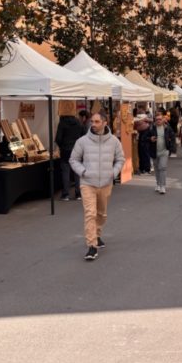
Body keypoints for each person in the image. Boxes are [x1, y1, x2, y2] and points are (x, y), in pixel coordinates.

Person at [70, 112, 125, 261]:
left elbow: (120, 159)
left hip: (106, 183)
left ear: (105, 122)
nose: (93, 124)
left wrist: (113, 173)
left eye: (96, 121)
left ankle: (97, 235)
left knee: (101, 214)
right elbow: (73, 160)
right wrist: (83, 172)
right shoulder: (82, 141)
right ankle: (92, 246)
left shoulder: (114, 141)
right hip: (87, 183)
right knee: (90, 213)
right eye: (91, 121)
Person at [55, 112, 85, 200]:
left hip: (66, 150)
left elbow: (58, 139)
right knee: (77, 173)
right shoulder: (78, 122)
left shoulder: (62, 123)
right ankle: (78, 194)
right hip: (77, 150)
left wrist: (62, 146)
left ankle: (66, 194)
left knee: (65, 171)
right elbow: (84, 136)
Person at [148, 112, 176, 194]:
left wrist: (172, 147)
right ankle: (158, 184)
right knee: (157, 169)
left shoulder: (167, 128)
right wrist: (150, 138)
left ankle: (163, 186)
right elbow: (144, 138)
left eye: (160, 119)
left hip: (164, 151)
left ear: (163, 119)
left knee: (162, 168)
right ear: (155, 120)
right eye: (157, 119)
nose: (158, 121)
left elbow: (173, 136)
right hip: (155, 152)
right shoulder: (151, 128)